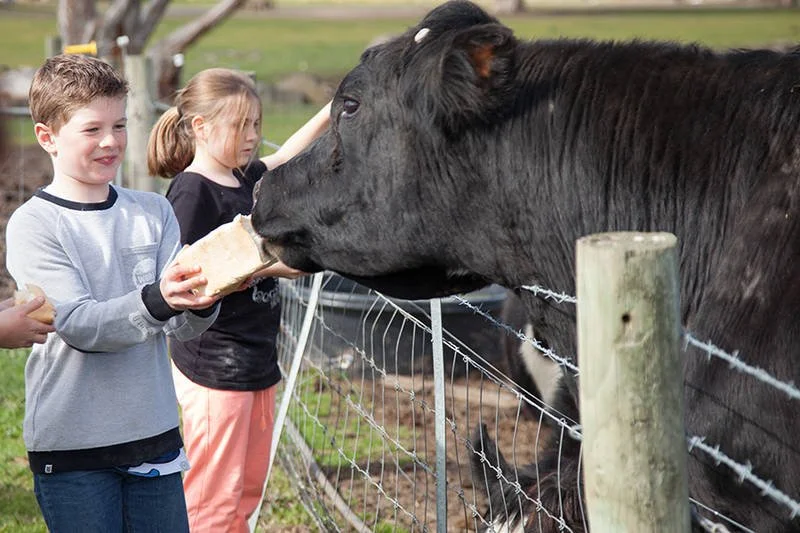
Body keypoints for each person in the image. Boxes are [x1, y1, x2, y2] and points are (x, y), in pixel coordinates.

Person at [5, 53, 222, 532]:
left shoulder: (154, 212)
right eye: (92, 129)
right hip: (74, 447)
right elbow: (80, 325)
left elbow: (183, 323)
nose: (111, 142)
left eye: (120, 125)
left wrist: (208, 295)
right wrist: (160, 299)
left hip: (155, 437)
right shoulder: (35, 225)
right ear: (47, 137)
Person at [147, 67, 330, 532]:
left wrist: (333, 109)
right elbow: (189, 273)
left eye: (256, 124)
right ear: (201, 128)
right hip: (213, 366)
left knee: (246, 488)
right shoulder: (192, 191)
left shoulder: (241, 175)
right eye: (239, 126)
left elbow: (287, 154)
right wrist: (282, 264)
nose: (252, 136)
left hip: (256, 359)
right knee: (213, 495)